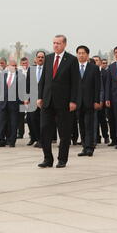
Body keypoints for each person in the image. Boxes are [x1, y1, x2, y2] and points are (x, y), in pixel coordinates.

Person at [37, 35, 79, 168]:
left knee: (64, 132)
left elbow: (75, 83)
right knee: (44, 130)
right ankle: (47, 159)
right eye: (54, 43)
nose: (56, 45)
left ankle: (62, 159)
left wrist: (73, 100)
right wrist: (40, 97)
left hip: (64, 102)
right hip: (47, 101)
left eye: (58, 43)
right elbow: (43, 80)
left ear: (64, 44)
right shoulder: (48, 58)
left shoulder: (71, 60)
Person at [76, 46, 101, 157]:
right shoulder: (74, 67)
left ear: (87, 55)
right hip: (77, 102)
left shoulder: (93, 68)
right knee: (81, 125)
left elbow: (97, 86)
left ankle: (90, 147)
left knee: (89, 125)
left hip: (90, 101)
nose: (81, 55)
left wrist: (97, 100)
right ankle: (84, 147)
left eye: (83, 53)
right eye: (79, 53)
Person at [0, 59, 25, 147]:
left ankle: (12, 141)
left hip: (15, 104)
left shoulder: (21, 76)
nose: (14, 67)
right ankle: (2, 140)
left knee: (13, 123)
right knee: (1, 122)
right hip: (3, 103)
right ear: (8, 66)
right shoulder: (3, 75)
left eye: (15, 66)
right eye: (12, 65)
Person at [26, 51, 45, 148]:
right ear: (36, 58)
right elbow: (27, 84)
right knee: (33, 120)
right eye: (39, 57)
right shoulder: (31, 69)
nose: (40, 59)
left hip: (44, 99)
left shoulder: (48, 69)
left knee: (44, 121)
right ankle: (38, 139)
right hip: (33, 99)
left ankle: (44, 140)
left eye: (42, 57)